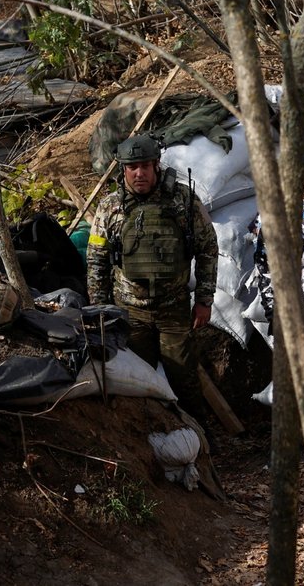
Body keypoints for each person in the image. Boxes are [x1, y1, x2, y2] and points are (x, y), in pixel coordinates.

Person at [86, 134, 218, 422]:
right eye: (132, 167)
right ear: (123, 170)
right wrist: (100, 309)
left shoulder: (183, 200)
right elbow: (96, 259)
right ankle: (149, 435)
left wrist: (204, 299)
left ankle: (201, 435)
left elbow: (208, 247)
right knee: (138, 380)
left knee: (183, 376)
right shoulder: (109, 207)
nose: (139, 173)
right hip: (130, 312)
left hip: (174, 308)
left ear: (156, 165)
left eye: (145, 165)